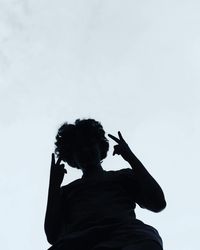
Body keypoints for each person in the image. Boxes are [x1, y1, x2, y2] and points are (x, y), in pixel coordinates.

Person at [44, 118, 166, 250]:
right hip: (81, 242)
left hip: (126, 236)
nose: (85, 151)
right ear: (71, 157)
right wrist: (54, 186)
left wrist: (131, 157)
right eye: (79, 149)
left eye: (90, 144)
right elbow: (52, 235)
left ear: (99, 146)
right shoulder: (67, 191)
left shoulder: (122, 177)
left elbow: (158, 203)